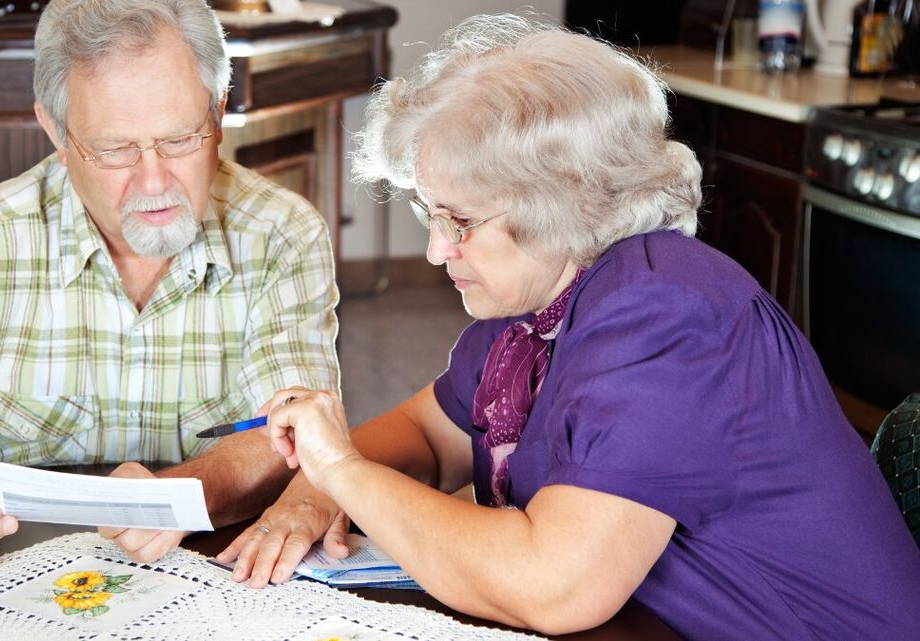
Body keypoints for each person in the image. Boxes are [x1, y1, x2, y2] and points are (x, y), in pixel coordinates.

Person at [217, 13, 920, 640]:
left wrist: (342, 470)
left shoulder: (667, 316)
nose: (436, 249)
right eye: (429, 213)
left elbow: (555, 587)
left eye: (459, 219)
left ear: (565, 203)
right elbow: (429, 435)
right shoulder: (535, 305)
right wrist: (316, 488)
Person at [0, 0, 339, 579]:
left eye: (182, 139)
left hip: (210, 570)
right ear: (56, 132)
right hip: (5, 584)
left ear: (217, 111)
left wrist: (178, 495)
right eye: (115, 149)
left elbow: (297, 434)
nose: (155, 181)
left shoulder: (281, 233)